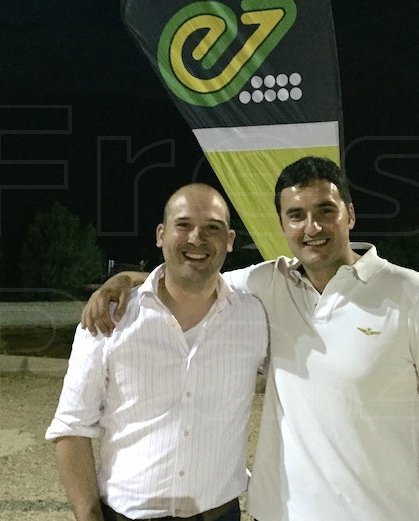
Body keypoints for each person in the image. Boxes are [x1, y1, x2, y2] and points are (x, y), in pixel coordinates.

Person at [83, 157, 419, 521]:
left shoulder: (409, 294)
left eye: (325, 211)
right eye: (296, 215)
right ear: (283, 226)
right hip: (277, 512)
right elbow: (190, 276)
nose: (312, 227)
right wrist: (125, 279)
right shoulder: (268, 282)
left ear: (350, 215)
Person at [46, 184, 268, 521]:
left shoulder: (254, 316)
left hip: (220, 513)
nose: (197, 238)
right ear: (161, 235)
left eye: (212, 227)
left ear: (229, 240)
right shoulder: (110, 318)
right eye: (183, 225)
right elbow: (72, 427)